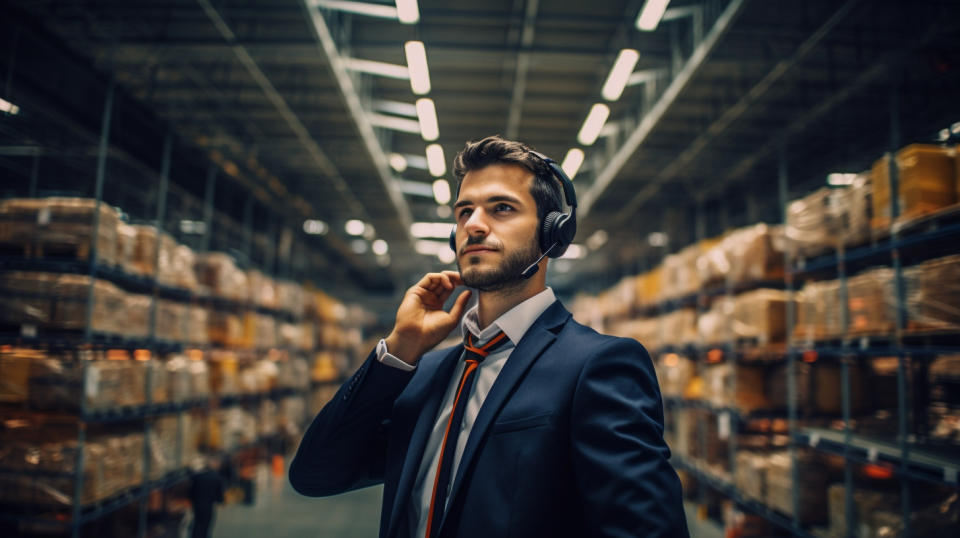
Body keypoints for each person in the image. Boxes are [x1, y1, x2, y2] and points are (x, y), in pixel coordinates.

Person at [289, 135, 688, 538]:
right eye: (464, 212)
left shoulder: (598, 366)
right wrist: (399, 351)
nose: (474, 225)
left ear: (553, 234)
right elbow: (315, 474)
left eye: (501, 208)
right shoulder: (428, 372)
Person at [189, 455, 225, 538]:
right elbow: (219, 494)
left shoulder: (197, 477)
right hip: (208, 505)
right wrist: (221, 501)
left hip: (197, 504)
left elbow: (192, 491)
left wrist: (193, 500)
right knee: (206, 524)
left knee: (197, 523)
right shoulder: (217, 478)